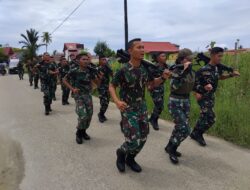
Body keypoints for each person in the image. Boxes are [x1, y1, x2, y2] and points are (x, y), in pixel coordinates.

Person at [109, 38, 170, 173]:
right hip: (128, 108)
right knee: (133, 140)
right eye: (139, 48)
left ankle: (130, 158)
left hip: (141, 107)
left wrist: (163, 78)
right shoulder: (123, 70)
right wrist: (117, 101)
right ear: (130, 51)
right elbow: (112, 86)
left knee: (143, 137)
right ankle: (121, 153)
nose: (142, 50)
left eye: (143, 47)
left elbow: (151, 84)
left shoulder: (144, 69)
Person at [190, 47, 240, 146]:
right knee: (211, 118)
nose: (220, 58)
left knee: (204, 116)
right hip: (203, 97)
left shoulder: (217, 68)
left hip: (211, 96)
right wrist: (196, 93)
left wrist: (231, 75)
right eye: (219, 56)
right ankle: (199, 134)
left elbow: (220, 77)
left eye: (222, 56)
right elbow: (193, 83)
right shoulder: (203, 70)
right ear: (212, 55)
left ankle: (194, 133)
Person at [63, 53, 103, 144]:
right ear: (78, 61)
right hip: (78, 96)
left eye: (87, 59)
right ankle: (78, 133)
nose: (86, 61)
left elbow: (98, 84)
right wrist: (72, 89)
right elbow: (64, 80)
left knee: (89, 115)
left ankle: (83, 131)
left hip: (87, 95)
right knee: (83, 115)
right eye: (83, 59)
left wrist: (100, 78)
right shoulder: (74, 71)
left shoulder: (90, 71)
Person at [164, 49, 195, 164]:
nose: (191, 60)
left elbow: (193, 85)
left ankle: (169, 146)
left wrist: (205, 87)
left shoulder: (192, 71)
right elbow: (174, 86)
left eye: (191, 58)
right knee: (185, 129)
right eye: (188, 58)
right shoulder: (176, 70)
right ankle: (173, 149)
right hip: (175, 102)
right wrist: (184, 72)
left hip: (186, 101)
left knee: (179, 126)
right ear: (183, 59)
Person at [148, 52, 169, 130]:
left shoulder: (166, 66)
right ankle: (154, 121)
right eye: (163, 55)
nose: (165, 57)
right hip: (154, 87)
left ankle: (152, 118)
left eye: (165, 55)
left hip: (161, 87)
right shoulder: (153, 67)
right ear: (157, 58)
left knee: (159, 105)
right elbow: (149, 79)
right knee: (159, 105)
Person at [97, 54, 113, 123]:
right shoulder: (98, 69)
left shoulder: (107, 67)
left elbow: (112, 75)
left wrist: (110, 69)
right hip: (101, 87)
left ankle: (102, 114)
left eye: (105, 59)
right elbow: (96, 80)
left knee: (107, 102)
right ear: (99, 60)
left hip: (107, 87)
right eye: (103, 59)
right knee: (103, 102)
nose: (105, 61)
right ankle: (101, 114)